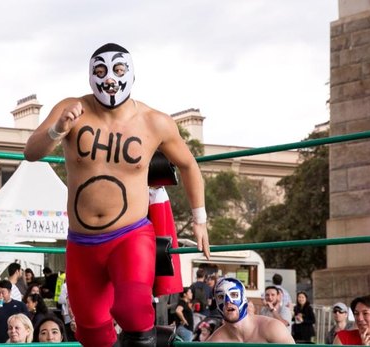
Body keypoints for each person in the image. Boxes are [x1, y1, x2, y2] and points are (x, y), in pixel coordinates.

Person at [23, 42, 209, 347]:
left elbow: (188, 165)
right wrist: (57, 129)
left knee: (133, 310)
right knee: (91, 331)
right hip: (82, 242)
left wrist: (199, 220)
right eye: (100, 70)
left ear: (131, 74)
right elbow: (31, 151)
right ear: (90, 75)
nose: (109, 78)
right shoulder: (73, 108)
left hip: (130, 237)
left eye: (118, 69)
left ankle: (154, 339)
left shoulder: (154, 121)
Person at [207, 277, 295, 343]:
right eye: (221, 297)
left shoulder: (272, 328)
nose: (228, 301)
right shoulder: (216, 341)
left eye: (234, 294)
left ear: (244, 299)